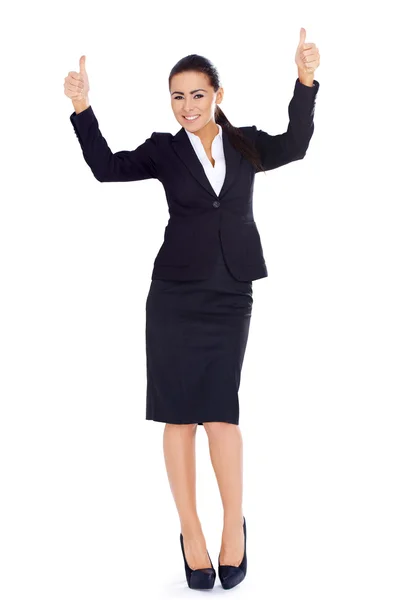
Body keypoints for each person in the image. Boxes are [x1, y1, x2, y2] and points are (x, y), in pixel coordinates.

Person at [64, 27, 320, 590]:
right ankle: (191, 532)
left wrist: (305, 81)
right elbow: (107, 167)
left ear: (218, 96)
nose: (187, 106)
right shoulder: (164, 149)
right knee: (178, 415)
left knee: (222, 411)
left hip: (231, 292)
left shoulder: (247, 144)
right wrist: (83, 109)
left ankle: (234, 528)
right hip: (174, 295)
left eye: (197, 95)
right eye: (177, 96)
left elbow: (297, 144)